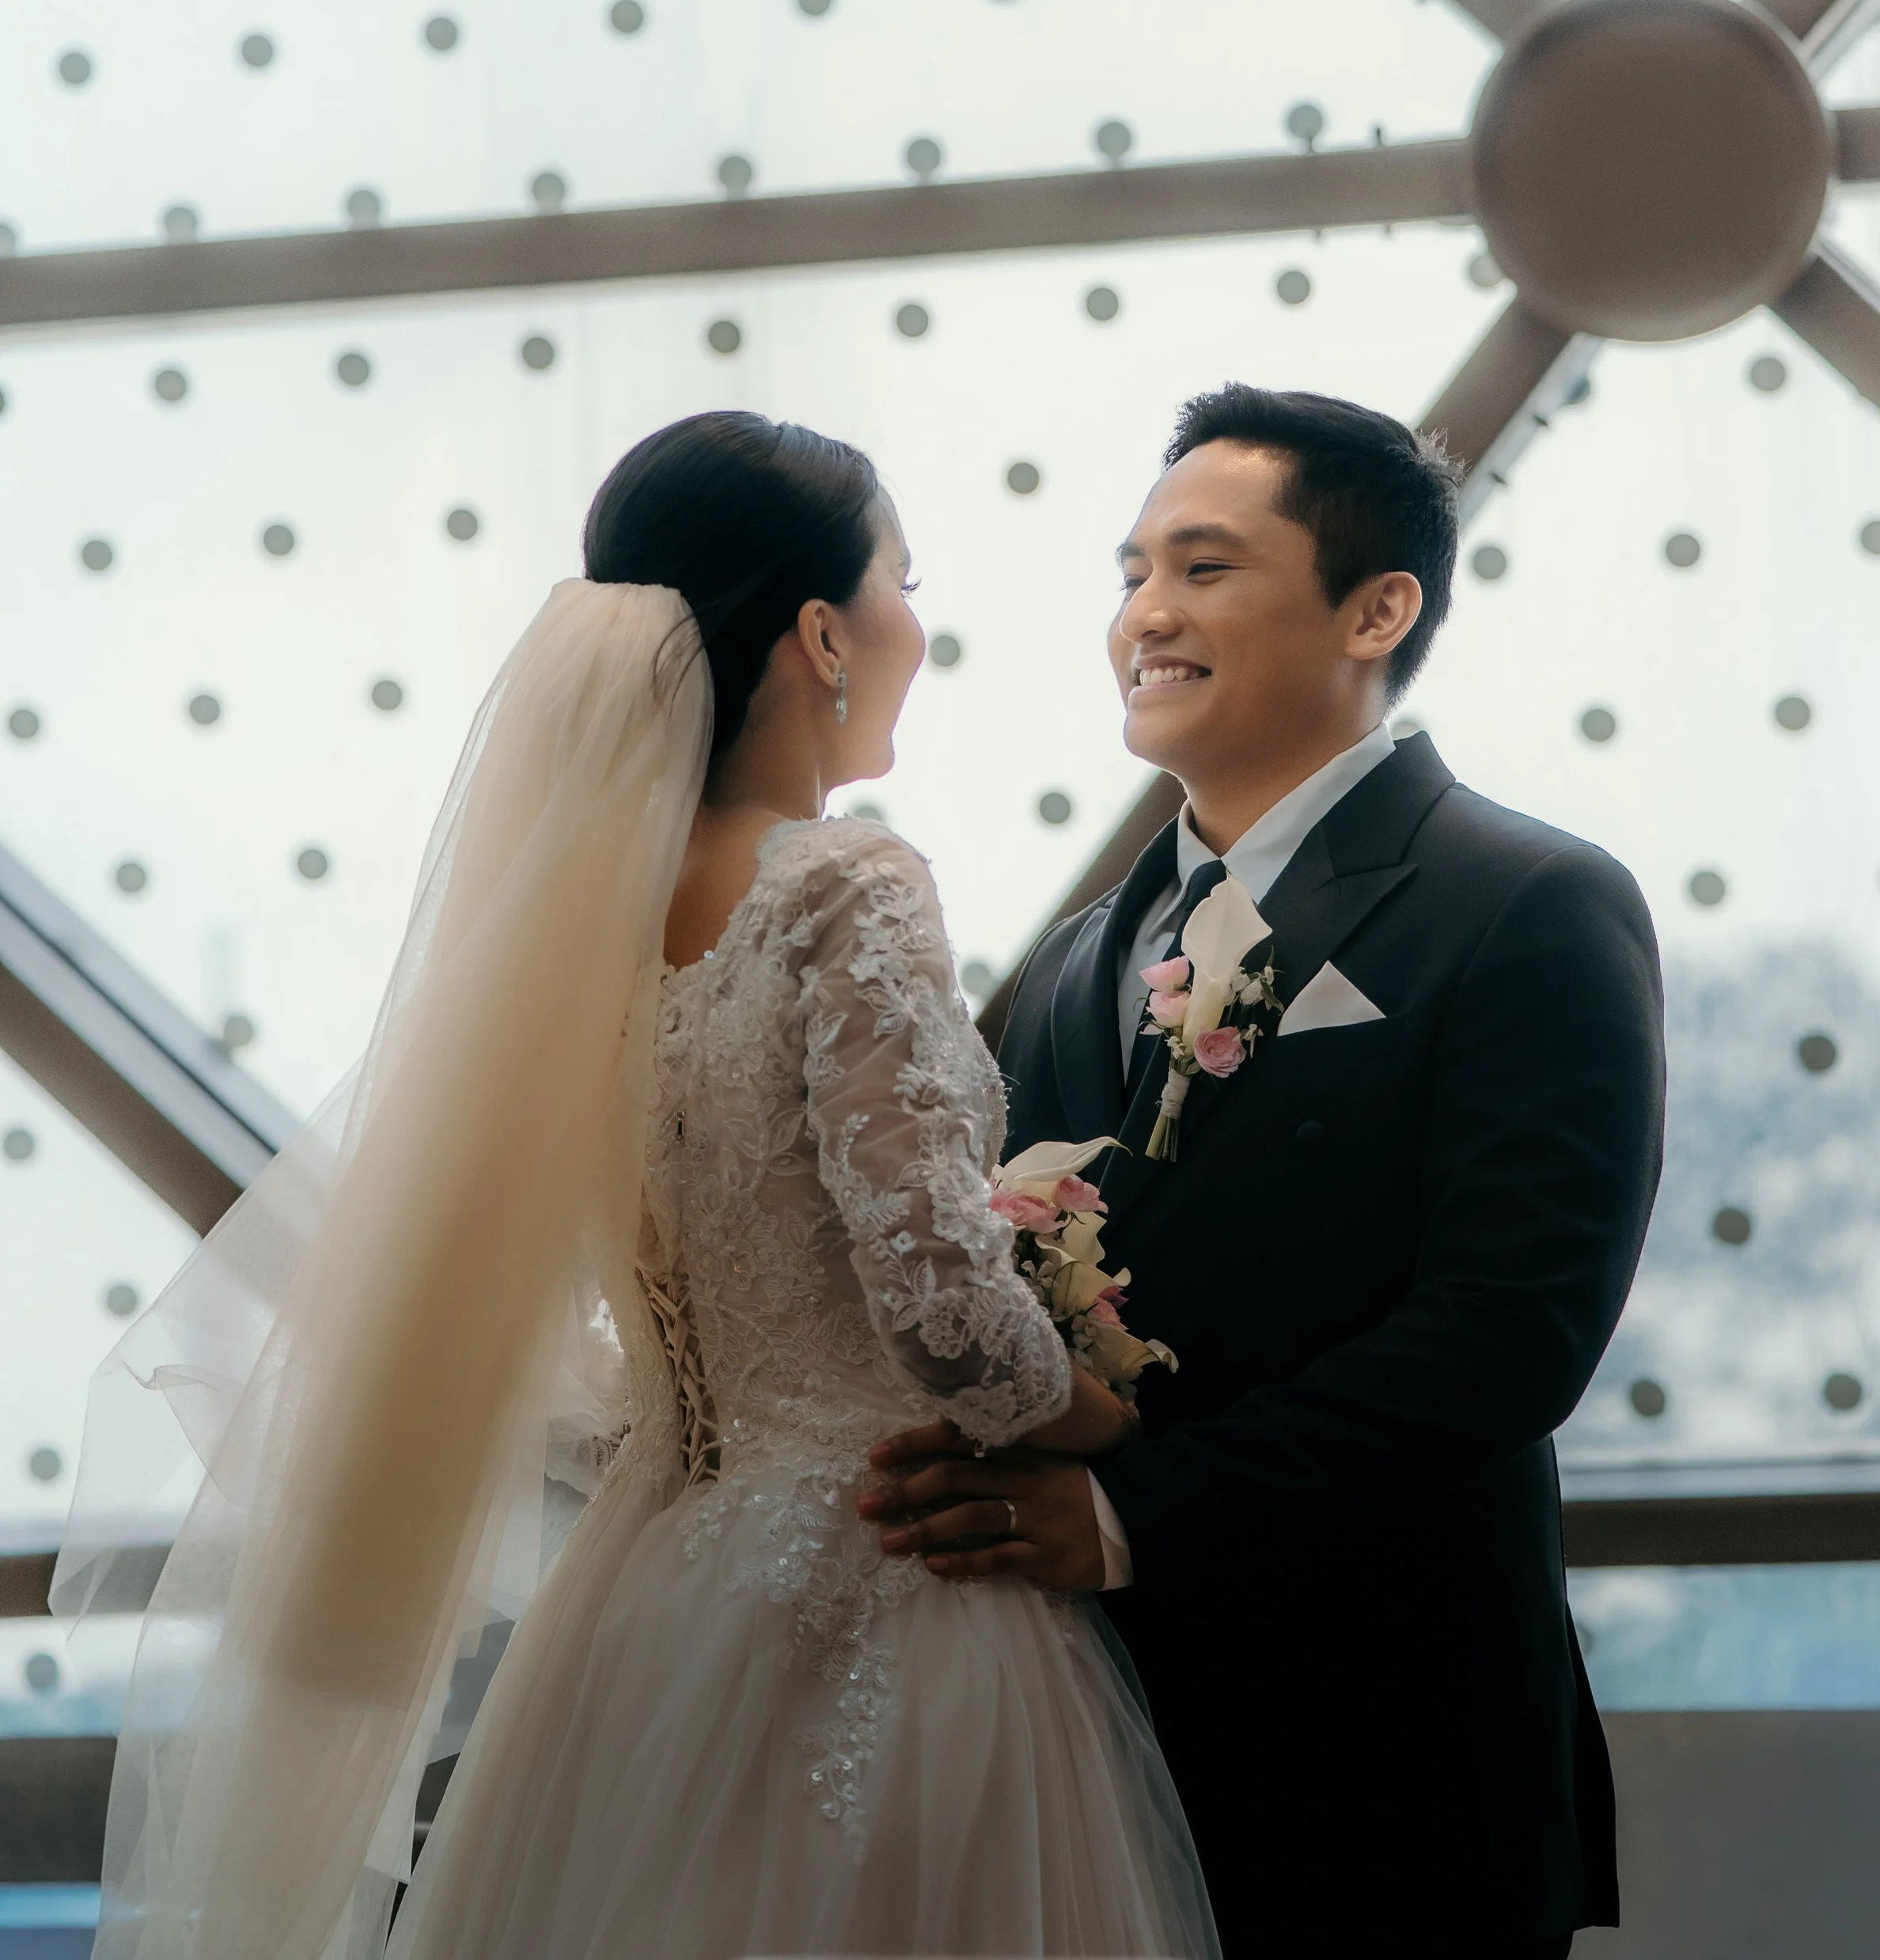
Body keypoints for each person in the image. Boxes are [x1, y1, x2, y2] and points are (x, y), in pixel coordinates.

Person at [62, 412, 1215, 1960]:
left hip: (652, 1591)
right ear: (820, 633)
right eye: (901, 581)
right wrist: (1112, 1422)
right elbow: (944, 1318)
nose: (911, 628)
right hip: (881, 1571)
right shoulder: (842, 884)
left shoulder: (571, 937)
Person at [861, 382, 1666, 1958]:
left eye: (1204, 570)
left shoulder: (1529, 902)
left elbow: (1510, 1333)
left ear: (1378, 607)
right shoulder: (1078, 955)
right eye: (1131, 572)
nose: (1145, 615)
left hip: (1387, 1759)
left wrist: (1120, 1510)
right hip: (1084, 1745)